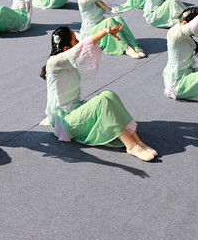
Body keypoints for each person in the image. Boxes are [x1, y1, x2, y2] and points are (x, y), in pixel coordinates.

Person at [41, 25, 157, 161]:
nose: (79, 42)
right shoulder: (54, 63)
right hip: (65, 123)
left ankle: (137, 141)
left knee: (110, 95)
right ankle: (131, 146)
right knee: (104, 100)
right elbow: (83, 47)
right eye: (75, 40)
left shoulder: (68, 60)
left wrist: (106, 34)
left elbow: (86, 45)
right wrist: (105, 31)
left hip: (76, 110)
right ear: (66, 49)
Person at [78, 0, 145, 58]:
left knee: (118, 18)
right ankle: (127, 48)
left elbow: (108, 10)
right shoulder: (82, 0)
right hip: (91, 32)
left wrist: (97, 0)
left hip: (101, 26)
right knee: (109, 21)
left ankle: (134, 46)